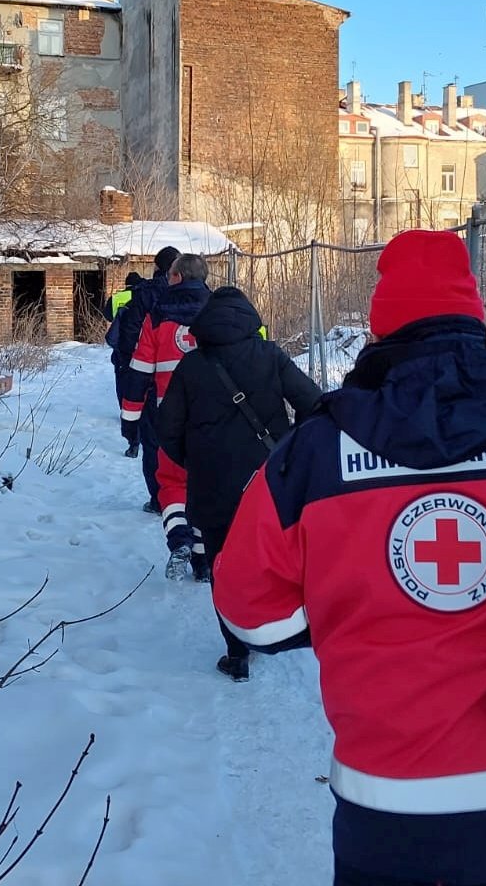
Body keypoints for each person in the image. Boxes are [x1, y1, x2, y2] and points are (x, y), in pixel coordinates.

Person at [213, 229, 486, 886]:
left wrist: (343, 614)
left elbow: (250, 614)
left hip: (395, 813)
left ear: (380, 327)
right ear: (475, 317)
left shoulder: (315, 453)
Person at [159, 286, 321, 681]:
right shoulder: (271, 356)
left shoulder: (191, 366)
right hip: (270, 482)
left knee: (222, 565)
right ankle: (277, 629)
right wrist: (292, 450)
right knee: (276, 558)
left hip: (213, 484)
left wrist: (195, 461)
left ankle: (236, 651)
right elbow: (314, 403)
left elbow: (167, 430)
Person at [120, 253, 211, 560]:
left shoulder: (157, 316)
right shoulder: (218, 313)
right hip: (213, 416)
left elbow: (139, 372)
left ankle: (179, 537)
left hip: (168, 417)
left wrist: (130, 421)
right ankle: (202, 557)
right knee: (205, 481)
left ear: (177, 278)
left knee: (172, 481)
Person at [115, 246, 180, 509]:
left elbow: (128, 335)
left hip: (151, 378)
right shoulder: (197, 295)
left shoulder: (144, 294)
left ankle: (158, 499)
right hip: (190, 380)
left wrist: (129, 364)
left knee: (153, 442)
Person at [105, 271, 147, 456]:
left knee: (124, 387)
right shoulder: (148, 298)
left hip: (123, 350)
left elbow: (108, 316)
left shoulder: (118, 298)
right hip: (144, 350)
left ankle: (127, 416)